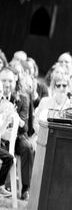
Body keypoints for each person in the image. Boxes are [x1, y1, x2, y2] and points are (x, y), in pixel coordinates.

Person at [0, 67, 34, 200]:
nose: (7, 84)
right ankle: (5, 186)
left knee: (28, 148)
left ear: (15, 80)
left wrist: (11, 125)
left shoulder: (22, 98)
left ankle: (25, 189)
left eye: (10, 80)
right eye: (3, 80)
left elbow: (25, 126)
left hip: (16, 136)